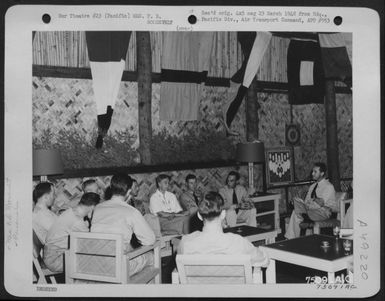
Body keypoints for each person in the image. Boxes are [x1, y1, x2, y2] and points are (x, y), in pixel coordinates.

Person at [177, 191, 268, 267]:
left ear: (199, 216)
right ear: (223, 214)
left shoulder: (185, 243)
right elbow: (264, 260)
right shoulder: (239, 242)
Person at [91, 173, 156, 276]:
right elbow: (150, 240)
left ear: (111, 188)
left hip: (95, 263)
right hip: (118, 267)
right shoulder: (132, 211)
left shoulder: (97, 208)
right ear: (129, 191)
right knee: (152, 256)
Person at [43, 192, 100, 272]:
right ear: (92, 207)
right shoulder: (78, 222)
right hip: (56, 259)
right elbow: (90, 242)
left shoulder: (70, 211)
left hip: (50, 255)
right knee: (92, 262)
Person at [285, 162, 336, 239]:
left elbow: (321, 203)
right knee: (296, 211)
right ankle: (293, 239)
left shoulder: (328, 186)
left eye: (315, 172)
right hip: (311, 210)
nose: (312, 173)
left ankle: (292, 239)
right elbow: (307, 201)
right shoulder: (313, 186)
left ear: (322, 173)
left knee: (297, 214)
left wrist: (313, 200)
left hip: (323, 212)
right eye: (313, 171)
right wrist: (298, 202)